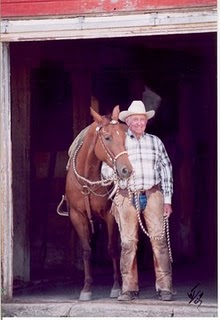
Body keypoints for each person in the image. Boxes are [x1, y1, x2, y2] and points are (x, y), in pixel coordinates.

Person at [101, 100, 174, 301]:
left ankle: (165, 287)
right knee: (127, 241)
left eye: (142, 120)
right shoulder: (122, 140)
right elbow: (106, 167)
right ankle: (128, 288)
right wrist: (112, 174)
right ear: (129, 122)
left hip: (152, 193)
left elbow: (166, 170)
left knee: (159, 240)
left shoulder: (155, 142)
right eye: (135, 120)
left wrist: (167, 200)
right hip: (126, 195)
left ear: (146, 121)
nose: (139, 123)